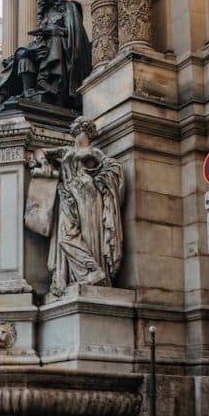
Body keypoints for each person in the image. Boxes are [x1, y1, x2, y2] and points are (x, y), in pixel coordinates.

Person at [27, 117, 125, 295]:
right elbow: (40, 152)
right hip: (67, 196)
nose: (78, 134)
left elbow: (113, 167)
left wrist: (97, 177)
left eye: (81, 131)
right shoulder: (66, 150)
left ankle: (92, 274)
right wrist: (45, 163)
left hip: (88, 196)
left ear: (86, 132)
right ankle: (90, 271)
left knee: (88, 235)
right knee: (65, 237)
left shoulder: (94, 152)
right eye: (77, 130)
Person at [0, 0, 91, 111]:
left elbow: (74, 32)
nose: (41, 1)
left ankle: (46, 82)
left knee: (55, 41)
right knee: (21, 53)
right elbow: (39, 40)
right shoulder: (45, 15)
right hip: (43, 48)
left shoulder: (68, 8)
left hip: (62, 47)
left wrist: (53, 30)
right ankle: (25, 92)